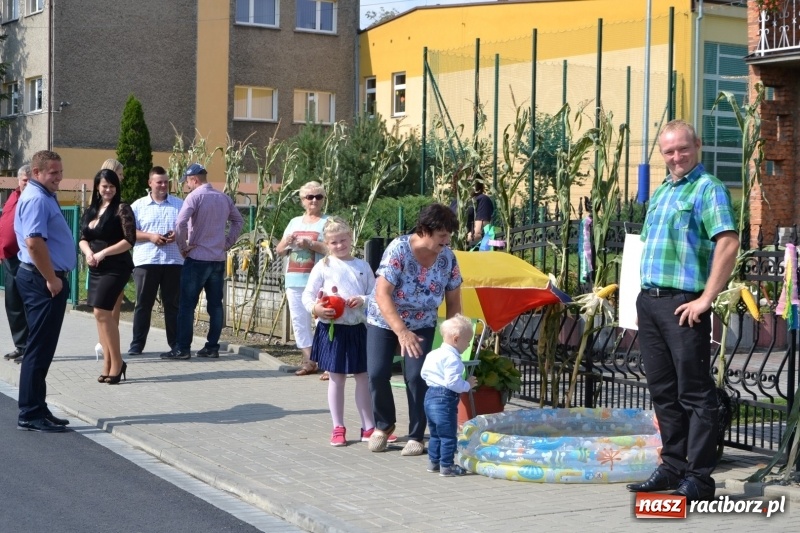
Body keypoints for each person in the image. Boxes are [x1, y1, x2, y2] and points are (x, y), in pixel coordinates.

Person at [626, 120, 739, 504]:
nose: (676, 157)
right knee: (663, 391)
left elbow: (727, 242)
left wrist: (706, 298)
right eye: (669, 151)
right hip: (651, 302)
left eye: (682, 149)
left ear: (698, 146)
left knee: (695, 393)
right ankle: (672, 466)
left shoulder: (709, 189)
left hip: (683, 305)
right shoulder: (662, 191)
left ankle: (699, 477)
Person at [366, 203, 462, 455]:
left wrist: (452, 339)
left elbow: (454, 301)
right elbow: (382, 293)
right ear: (424, 230)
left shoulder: (448, 258)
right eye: (442, 235)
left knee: (418, 376)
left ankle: (417, 435)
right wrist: (401, 331)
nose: (446, 240)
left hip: (422, 321)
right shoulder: (399, 249)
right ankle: (383, 426)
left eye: (449, 234)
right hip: (385, 319)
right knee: (376, 373)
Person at [302, 217, 384, 446]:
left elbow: (375, 293)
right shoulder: (323, 267)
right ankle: (338, 426)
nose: (339, 245)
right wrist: (317, 309)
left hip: (358, 328)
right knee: (336, 378)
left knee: (363, 377)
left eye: (343, 240)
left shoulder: (362, 266)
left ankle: (368, 427)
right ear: (327, 245)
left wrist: (363, 299)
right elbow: (307, 296)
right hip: (332, 330)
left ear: (351, 239)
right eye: (334, 242)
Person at [14, 150, 76, 432]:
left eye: (60, 172)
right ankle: (29, 412)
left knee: (43, 348)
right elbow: (34, 243)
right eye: (53, 173)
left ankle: (38, 406)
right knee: (38, 350)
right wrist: (52, 279)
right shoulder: (37, 198)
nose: (59, 177)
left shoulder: (42, 196)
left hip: (42, 280)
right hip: (43, 282)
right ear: (37, 173)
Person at [161, 163, 243, 360]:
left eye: (187, 182)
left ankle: (182, 348)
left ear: (194, 180)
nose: (187, 186)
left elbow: (180, 223)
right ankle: (212, 347)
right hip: (217, 258)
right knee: (215, 305)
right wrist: (227, 242)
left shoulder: (194, 197)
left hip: (197, 258)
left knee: (187, 305)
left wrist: (182, 247)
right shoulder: (223, 197)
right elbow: (238, 221)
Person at [78, 169, 136, 384]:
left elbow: (129, 240)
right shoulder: (91, 210)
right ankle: (108, 364)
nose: (108, 190)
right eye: (104, 186)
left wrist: (103, 252)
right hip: (96, 268)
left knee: (101, 312)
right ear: (97, 187)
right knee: (100, 315)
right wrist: (88, 253)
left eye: (112, 186)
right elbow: (83, 238)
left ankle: (118, 362)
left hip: (116, 267)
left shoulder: (122, 209)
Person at [127, 166, 184, 355]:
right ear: (150, 183)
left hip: (173, 261)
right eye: (159, 182)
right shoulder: (137, 206)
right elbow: (129, 232)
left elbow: (190, 228)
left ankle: (175, 344)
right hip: (146, 261)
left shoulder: (179, 204)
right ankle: (137, 345)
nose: (163, 185)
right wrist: (150, 237)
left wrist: (179, 234)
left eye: (166, 181)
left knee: (172, 305)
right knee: (143, 304)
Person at [275, 181, 329, 377]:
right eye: (309, 197)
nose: (314, 200)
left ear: (323, 199)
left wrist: (311, 244)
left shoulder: (328, 222)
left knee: (323, 320)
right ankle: (309, 360)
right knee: (299, 321)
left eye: (318, 197)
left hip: (319, 280)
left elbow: (332, 249)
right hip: (294, 279)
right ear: (302, 200)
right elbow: (279, 250)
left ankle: (328, 363)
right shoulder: (294, 222)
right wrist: (287, 242)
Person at [420, 314, 476, 476]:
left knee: (435, 434)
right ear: (457, 339)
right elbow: (452, 383)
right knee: (449, 435)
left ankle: (433, 462)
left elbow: (424, 374)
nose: (468, 345)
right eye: (467, 341)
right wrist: (467, 385)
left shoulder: (433, 354)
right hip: (444, 398)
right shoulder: (452, 358)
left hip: (430, 395)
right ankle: (447, 466)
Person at [93, 158, 124, 360]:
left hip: (101, 261)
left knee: (103, 312)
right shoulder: (113, 206)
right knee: (110, 312)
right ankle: (111, 354)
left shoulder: (99, 205)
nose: (122, 178)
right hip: (110, 262)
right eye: (120, 174)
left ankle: (108, 352)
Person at [0, 164, 30, 364]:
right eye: (24, 180)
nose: (26, 184)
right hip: (9, 259)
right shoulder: (13, 197)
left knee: (28, 304)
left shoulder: (34, 200)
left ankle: (31, 349)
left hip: (25, 258)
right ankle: (21, 346)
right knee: (13, 304)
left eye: (30, 180)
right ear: (18, 181)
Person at [467, 180, 494, 246]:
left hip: (468, 249)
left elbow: (478, 234)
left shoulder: (482, 200)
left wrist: (457, 240)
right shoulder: (455, 202)